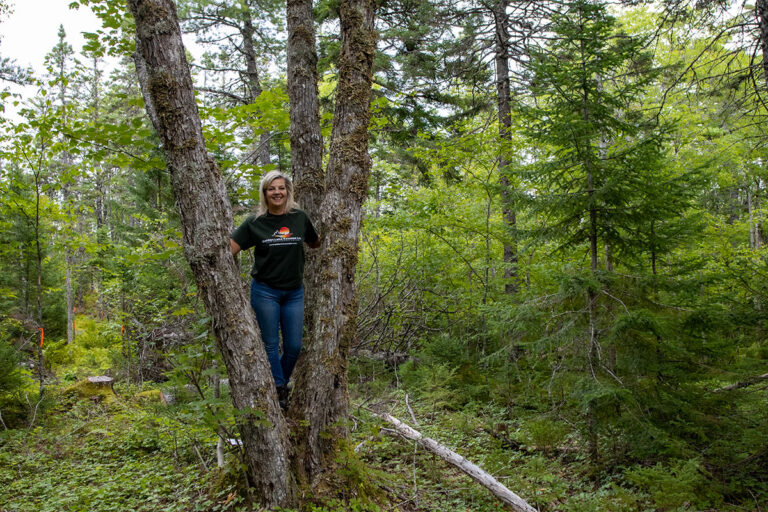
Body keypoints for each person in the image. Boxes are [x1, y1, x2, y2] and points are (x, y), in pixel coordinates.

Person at [230, 171, 320, 409]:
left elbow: (314, 240)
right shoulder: (255, 222)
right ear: (265, 193)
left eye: (281, 188)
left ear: (287, 191)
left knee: (293, 346)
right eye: (272, 189)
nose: (277, 192)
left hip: (294, 293)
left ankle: (280, 382)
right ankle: (280, 389)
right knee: (270, 344)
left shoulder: (299, 218)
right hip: (265, 291)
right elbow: (228, 249)